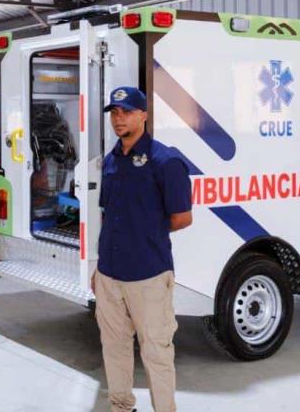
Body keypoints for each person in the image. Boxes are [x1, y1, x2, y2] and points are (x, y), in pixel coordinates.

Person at [93, 87, 193, 412]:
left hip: (148, 274)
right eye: (114, 112)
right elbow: (108, 214)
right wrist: (99, 267)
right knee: (114, 346)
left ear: (144, 116)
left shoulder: (165, 161)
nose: (118, 118)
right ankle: (122, 406)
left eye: (126, 112)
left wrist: (143, 233)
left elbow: (182, 218)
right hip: (109, 274)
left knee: (156, 351)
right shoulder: (111, 160)